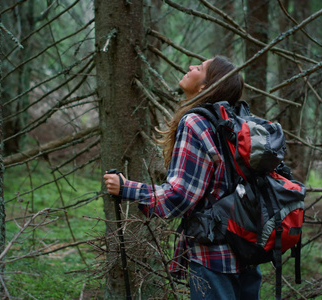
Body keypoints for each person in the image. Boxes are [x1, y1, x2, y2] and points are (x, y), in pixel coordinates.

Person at [103, 56, 262, 299]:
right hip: (247, 250)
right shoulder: (236, 121)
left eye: (199, 68)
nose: (190, 67)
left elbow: (179, 196)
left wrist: (127, 188)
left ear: (204, 87)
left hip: (214, 256)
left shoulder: (196, 122)